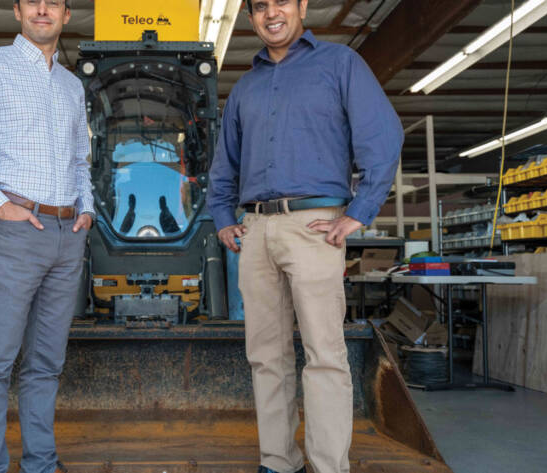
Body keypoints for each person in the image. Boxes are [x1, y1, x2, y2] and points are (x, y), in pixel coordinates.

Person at [206, 1, 403, 472]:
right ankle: (278, 460)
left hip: (316, 226)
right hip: (256, 230)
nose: (271, 13)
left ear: (301, 7)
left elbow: (384, 136)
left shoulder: (339, 64)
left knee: (325, 355)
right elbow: (223, 165)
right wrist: (221, 216)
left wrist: (359, 212)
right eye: (260, 7)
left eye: (282, 3)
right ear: (251, 16)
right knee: (266, 356)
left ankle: (328, 466)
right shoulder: (245, 88)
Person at [0, 0, 93, 471]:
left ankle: (40, 463)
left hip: (68, 234)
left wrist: (86, 208)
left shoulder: (72, 85)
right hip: (13, 232)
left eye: (54, 3)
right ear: (18, 10)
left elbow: (81, 160)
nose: (43, 9)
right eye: (33, 1)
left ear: (67, 15)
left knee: (47, 363)